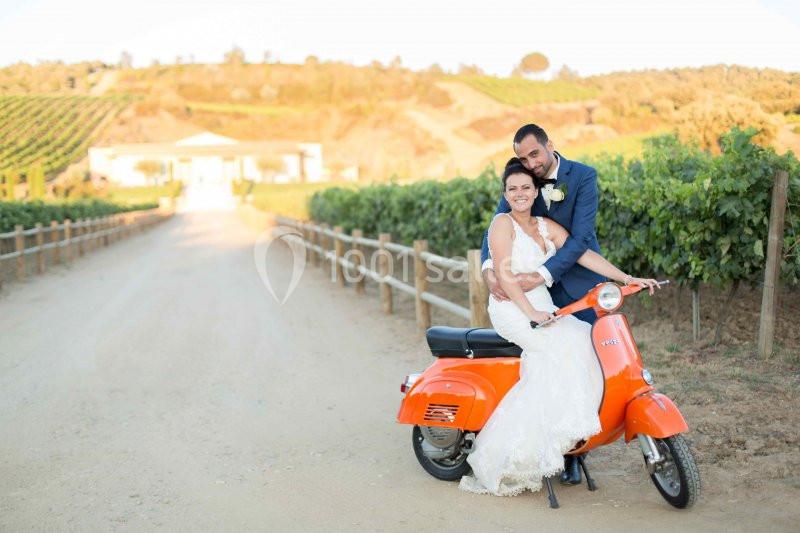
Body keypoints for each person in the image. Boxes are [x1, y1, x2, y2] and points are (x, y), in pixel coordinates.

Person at [459, 159, 657, 496]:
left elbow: (585, 255)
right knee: (558, 350)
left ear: (534, 191)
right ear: (505, 195)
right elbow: (505, 275)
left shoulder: (546, 226)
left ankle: (571, 438)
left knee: (584, 339)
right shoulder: (501, 225)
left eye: (525, 187)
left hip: (543, 304)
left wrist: (626, 278)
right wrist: (531, 312)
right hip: (513, 307)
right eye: (512, 189)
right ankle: (529, 450)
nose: (519, 193)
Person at [480, 123, 606, 484]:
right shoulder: (520, 182)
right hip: (532, 298)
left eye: (534, 154)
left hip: (572, 285)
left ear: (550, 146)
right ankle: (565, 455)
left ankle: (578, 437)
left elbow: (580, 239)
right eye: (523, 158)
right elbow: (497, 231)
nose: (530, 163)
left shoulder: (582, 176)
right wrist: (490, 270)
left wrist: (543, 275)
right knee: (559, 357)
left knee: (587, 352)